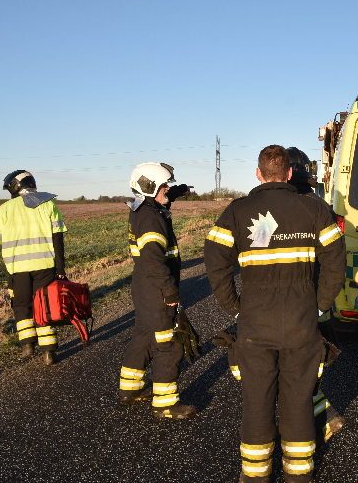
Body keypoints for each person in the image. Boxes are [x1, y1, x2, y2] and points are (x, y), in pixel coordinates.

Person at [205, 145, 345, 483]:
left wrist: (234, 306)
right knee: (298, 402)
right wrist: (319, 306)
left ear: (258, 174)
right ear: (288, 174)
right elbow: (336, 265)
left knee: (257, 404)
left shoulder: (238, 211)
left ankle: (255, 476)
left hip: (255, 327)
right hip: (301, 325)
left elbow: (214, 258)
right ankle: (299, 475)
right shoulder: (314, 208)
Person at [117, 162, 197, 419]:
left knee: (143, 336)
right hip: (156, 289)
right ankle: (165, 404)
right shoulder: (152, 219)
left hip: (144, 287)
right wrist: (170, 292)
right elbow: (153, 261)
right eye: (164, 186)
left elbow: (159, 200)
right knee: (168, 345)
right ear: (149, 187)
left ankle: (130, 389)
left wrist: (177, 191)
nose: (167, 189)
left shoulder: (142, 208)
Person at [0, 170, 67, 365]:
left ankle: (27, 346)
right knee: (44, 306)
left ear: (14, 187)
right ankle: (49, 352)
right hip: (45, 267)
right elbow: (58, 241)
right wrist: (61, 270)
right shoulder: (49, 204)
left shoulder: (4, 210)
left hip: (18, 269)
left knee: (21, 307)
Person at [286, 146, 345, 443]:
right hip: (316, 298)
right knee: (307, 363)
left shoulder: (275, 210)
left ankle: (313, 423)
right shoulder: (317, 205)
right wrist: (323, 303)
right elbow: (334, 258)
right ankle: (324, 414)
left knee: (295, 369)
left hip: (290, 304)